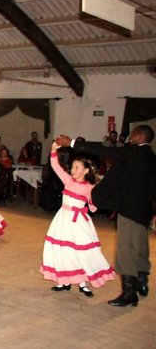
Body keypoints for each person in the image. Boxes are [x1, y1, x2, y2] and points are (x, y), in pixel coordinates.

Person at [56, 125, 156, 307]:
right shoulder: (152, 157)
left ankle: (129, 293)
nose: (130, 137)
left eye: (133, 134)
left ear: (140, 136)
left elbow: (103, 151)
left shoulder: (132, 152)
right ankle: (142, 283)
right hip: (144, 210)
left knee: (126, 250)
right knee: (141, 246)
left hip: (129, 210)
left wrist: (72, 143)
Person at [40, 141, 115, 296]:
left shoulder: (90, 188)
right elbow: (55, 166)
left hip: (78, 222)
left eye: (77, 168)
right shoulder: (68, 180)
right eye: (72, 167)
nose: (73, 170)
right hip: (62, 220)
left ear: (86, 170)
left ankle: (83, 283)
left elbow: (94, 205)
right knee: (62, 249)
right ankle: (64, 281)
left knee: (81, 251)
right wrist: (53, 151)